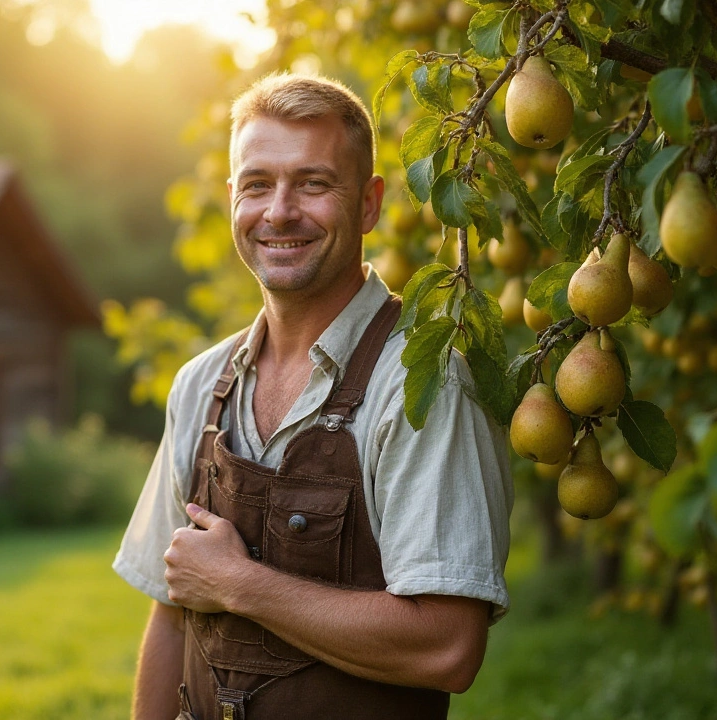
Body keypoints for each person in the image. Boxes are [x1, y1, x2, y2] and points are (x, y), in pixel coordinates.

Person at [112, 73, 513, 720]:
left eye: (314, 183)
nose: (279, 211)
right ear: (232, 201)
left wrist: (241, 585)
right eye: (257, 184)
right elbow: (174, 606)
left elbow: (447, 647)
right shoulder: (199, 387)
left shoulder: (423, 385)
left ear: (369, 204)